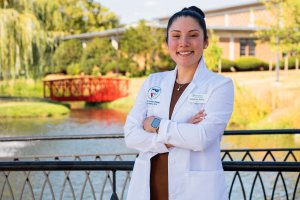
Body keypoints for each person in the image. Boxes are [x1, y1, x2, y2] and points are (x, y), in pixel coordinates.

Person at [124, 6, 234, 200]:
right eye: (176, 36)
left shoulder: (219, 86)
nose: (184, 43)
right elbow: (131, 136)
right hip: (148, 190)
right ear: (167, 42)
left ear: (205, 41)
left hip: (196, 192)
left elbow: (200, 138)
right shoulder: (153, 81)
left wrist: (155, 124)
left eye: (192, 35)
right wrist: (181, 131)